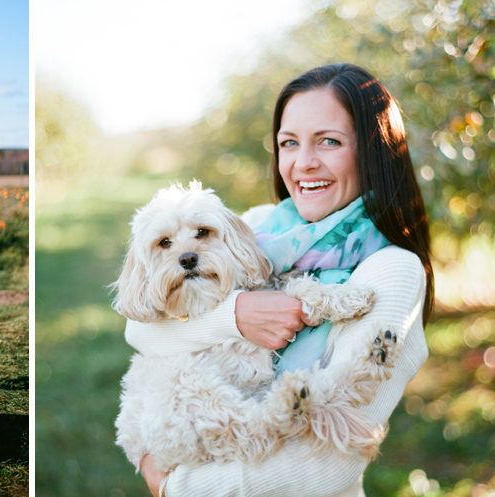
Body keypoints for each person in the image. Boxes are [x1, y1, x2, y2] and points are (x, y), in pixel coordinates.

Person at [126, 63, 434, 496]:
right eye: (289, 143)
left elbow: (328, 467)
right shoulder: (259, 228)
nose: (304, 163)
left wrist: (174, 487)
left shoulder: (392, 271)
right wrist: (235, 319)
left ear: (372, 150)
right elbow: (138, 328)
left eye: (328, 141)